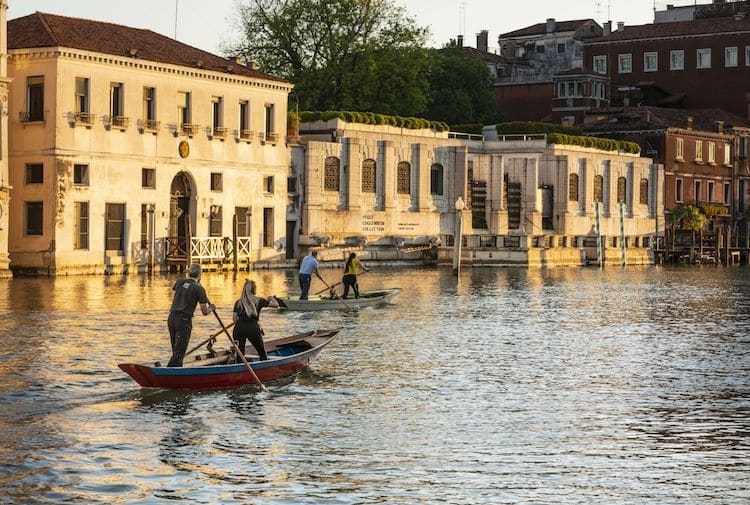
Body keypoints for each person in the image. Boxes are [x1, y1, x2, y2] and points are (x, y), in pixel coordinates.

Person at [167, 264, 215, 367]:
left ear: (189, 273)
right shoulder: (199, 289)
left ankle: (175, 371)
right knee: (179, 353)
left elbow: (182, 289)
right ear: (200, 274)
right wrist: (211, 308)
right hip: (184, 320)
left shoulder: (179, 282)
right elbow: (205, 312)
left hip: (171, 318)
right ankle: (170, 374)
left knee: (175, 350)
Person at [232, 279, 278, 362]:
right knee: (262, 353)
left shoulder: (238, 302)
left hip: (239, 328)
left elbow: (234, 319)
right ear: (254, 290)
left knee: (240, 356)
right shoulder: (259, 300)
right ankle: (264, 370)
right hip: (252, 328)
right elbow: (276, 305)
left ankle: (239, 370)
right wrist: (271, 298)